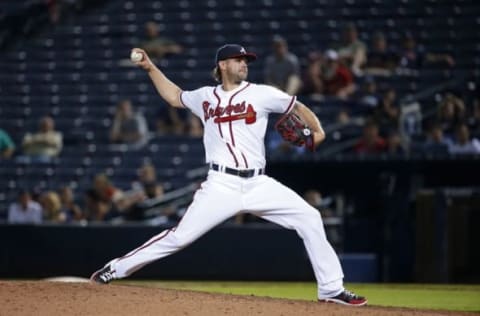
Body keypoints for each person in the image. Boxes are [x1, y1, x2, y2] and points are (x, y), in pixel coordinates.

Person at [90, 44, 367, 306]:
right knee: (179, 237)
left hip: (258, 183)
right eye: (238, 60)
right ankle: (115, 269)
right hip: (221, 184)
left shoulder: (262, 93)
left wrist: (317, 131)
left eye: (246, 60)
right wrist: (150, 67)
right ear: (223, 64)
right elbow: (175, 96)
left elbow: (297, 107)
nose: (244, 64)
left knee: (310, 217)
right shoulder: (205, 97)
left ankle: (331, 289)